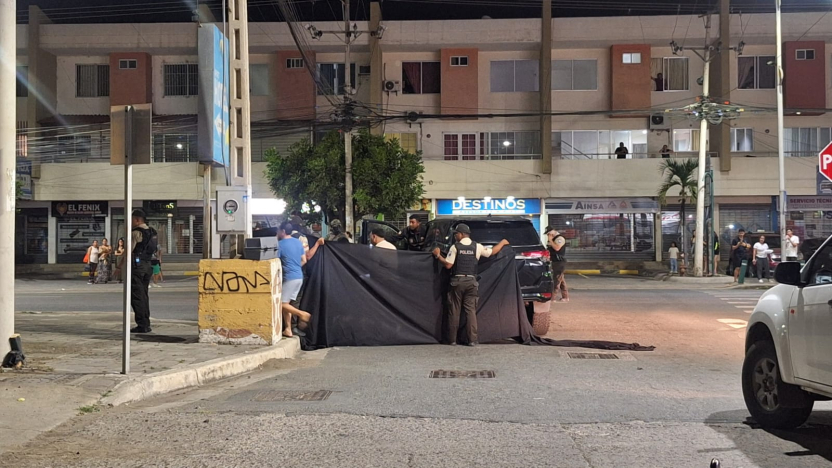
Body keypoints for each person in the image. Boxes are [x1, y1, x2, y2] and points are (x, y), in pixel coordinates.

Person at [433, 224, 509, 346]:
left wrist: (438, 256)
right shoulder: (477, 246)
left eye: (456, 233)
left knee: (454, 311)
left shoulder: (455, 247)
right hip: (471, 282)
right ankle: (472, 340)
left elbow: (448, 265)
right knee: (470, 312)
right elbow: (492, 252)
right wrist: (503, 243)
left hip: (457, 282)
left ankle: (452, 340)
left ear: (462, 234)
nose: (455, 236)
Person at [278, 221, 313, 338]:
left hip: (289, 278)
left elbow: (275, 262)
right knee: (287, 303)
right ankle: (288, 329)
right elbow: (304, 260)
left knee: (280, 303)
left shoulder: (280, 245)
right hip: (299, 276)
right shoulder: (298, 243)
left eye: (278, 230)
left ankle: (302, 314)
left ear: (282, 231)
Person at [130, 209, 157, 333]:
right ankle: (146, 322)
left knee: (137, 296)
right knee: (144, 295)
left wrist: (119, 267)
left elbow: (129, 251)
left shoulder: (136, 233)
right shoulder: (152, 232)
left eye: (132, 219)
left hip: (138, 266)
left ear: (137, 220)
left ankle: (142, 325)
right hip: (148, 265)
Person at [545, 226, 569, 302]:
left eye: (549, 233)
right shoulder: (553, 239)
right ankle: (565, 297)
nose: (548, 235)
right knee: (561, 279)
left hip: (560, 262)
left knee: (557, 280)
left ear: (553, 231)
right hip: (555, 261)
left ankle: (553, 297)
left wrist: (550, 240)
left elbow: (557, 248)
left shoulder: (560, 239)